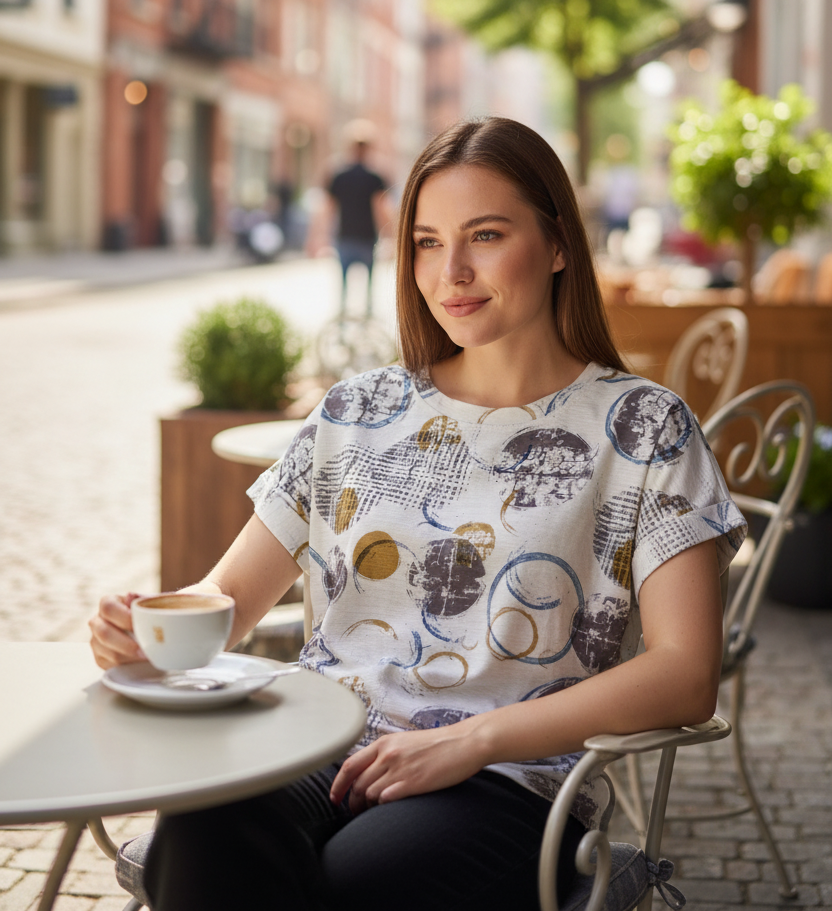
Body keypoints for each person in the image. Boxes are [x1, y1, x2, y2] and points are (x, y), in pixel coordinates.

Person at [90, 117, 746, 911]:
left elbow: (685, 674)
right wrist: (147, 633)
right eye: (427, 242)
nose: (452, 272)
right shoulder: (355, 410)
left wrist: (471, 739)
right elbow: (227, 603)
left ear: (560, 243)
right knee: (203, 825)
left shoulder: (645, 426)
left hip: (504, 777)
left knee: (359, 882)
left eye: (486, 235)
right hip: (315, 742)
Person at [326, 128, 388, 316]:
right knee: (369, 279)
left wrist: (322, 235)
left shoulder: (339, 176)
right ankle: (367, 311)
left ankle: (344, 310)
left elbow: (329, 209)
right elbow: (380, 209)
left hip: (345, 235)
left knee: (343, 280)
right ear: (368, 150)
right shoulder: (374, 177)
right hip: (367, 236)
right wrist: (389, 234)